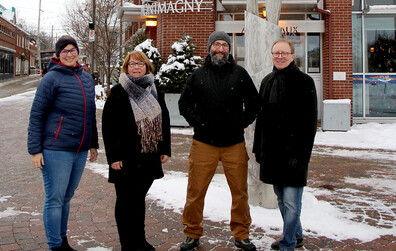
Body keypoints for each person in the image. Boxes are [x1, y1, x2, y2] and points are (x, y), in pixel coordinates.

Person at [178, 31, 259, 251]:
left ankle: (241, 234)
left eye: (225, 45)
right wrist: (200, 123)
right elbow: (183, 105)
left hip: (234, 144)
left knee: (239, 192)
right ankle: (192, 232)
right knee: (195, 191)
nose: (221, 49)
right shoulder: (198, 76)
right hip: (204, 144)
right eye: (217, 45)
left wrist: (239, 123)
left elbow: (254, 105)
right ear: (209, 48)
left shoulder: (240, 74)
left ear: (229, 49)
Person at [28, 35, 99, 251]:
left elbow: (90, 114)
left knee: (67, 196)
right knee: (55, 198)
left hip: (79, 150)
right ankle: (55, 245)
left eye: (72, 49)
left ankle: (62, 240)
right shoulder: (51, 79)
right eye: (64, 51)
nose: (69, 54)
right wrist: (35, 150)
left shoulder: (86, 78)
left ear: (78, 52)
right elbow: (37, 114)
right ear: (58, 55)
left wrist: (93, 143)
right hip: (56, 149)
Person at [102, 51, 171, 251]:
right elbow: (108, 126)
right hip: (124, 157)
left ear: (147, 67)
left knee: (138, 199)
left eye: (141, 64)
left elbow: (163, 120)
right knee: (125, 202)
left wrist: (165, 148)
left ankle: (139, 240)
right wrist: (113, 157)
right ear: (126, 67)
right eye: (132, 64)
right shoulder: (118, 92)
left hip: (148, 156)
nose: (136, 67)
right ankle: (127, 243)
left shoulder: (156, 91)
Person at [253, 38, 318, 251]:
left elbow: (309, 123)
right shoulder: (267, 81)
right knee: (282, 200)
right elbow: (260, 120)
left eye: (284, 53)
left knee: (292, 202)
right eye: (276, 53)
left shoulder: (305, 82)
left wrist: (302, 155)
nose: (279, 56)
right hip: (272, 154)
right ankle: (296, 234)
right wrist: (258, 150)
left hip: (294, 155)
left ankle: (288, 243)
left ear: (292, 55)